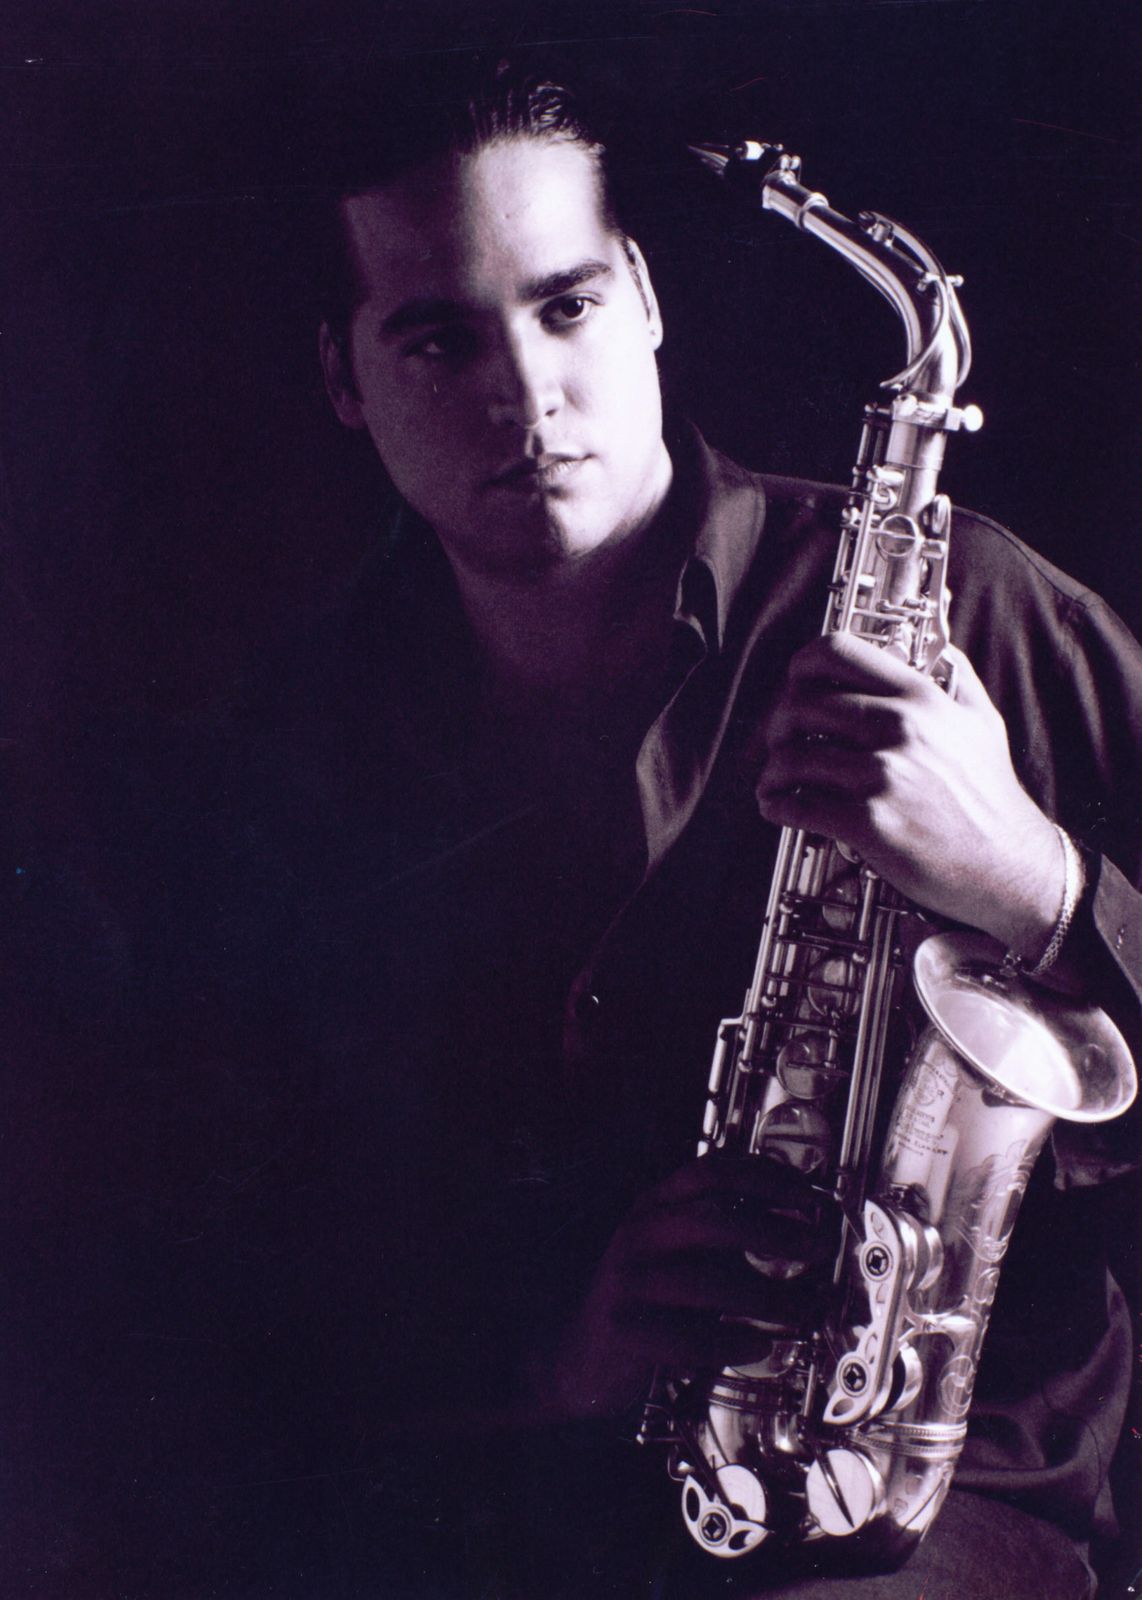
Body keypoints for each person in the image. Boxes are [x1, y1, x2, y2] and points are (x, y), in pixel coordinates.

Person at [76, 60, 1135, 1598]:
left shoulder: (967, 606)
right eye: (436, 339)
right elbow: (195, 1276)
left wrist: (1028, 880)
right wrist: (551, 1350)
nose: (522, 395)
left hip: (920, 1496)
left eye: (563, 306)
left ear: (641, 298)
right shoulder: (272, 754)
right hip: (498, 1496)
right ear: (342, 378)